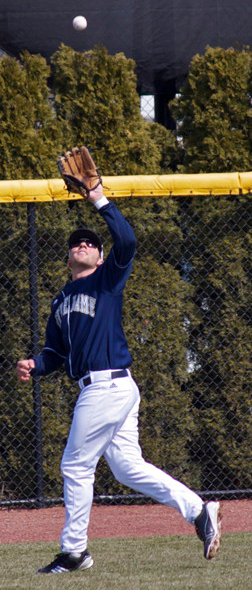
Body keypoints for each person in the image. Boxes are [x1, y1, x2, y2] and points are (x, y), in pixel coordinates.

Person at [17, 182, 221, 574]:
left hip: (108, 385)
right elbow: (55, 353)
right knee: (127, 467)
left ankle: (74, 552)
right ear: (68, 256)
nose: (83, 245)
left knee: (76, 466)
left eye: (90, 243)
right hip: (107, 388)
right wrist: (35, 364)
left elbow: (126, 239)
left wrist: (98, 197)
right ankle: (199, 511)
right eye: (77, 243)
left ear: (99, 255)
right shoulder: (60, 302)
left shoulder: (107, 281)